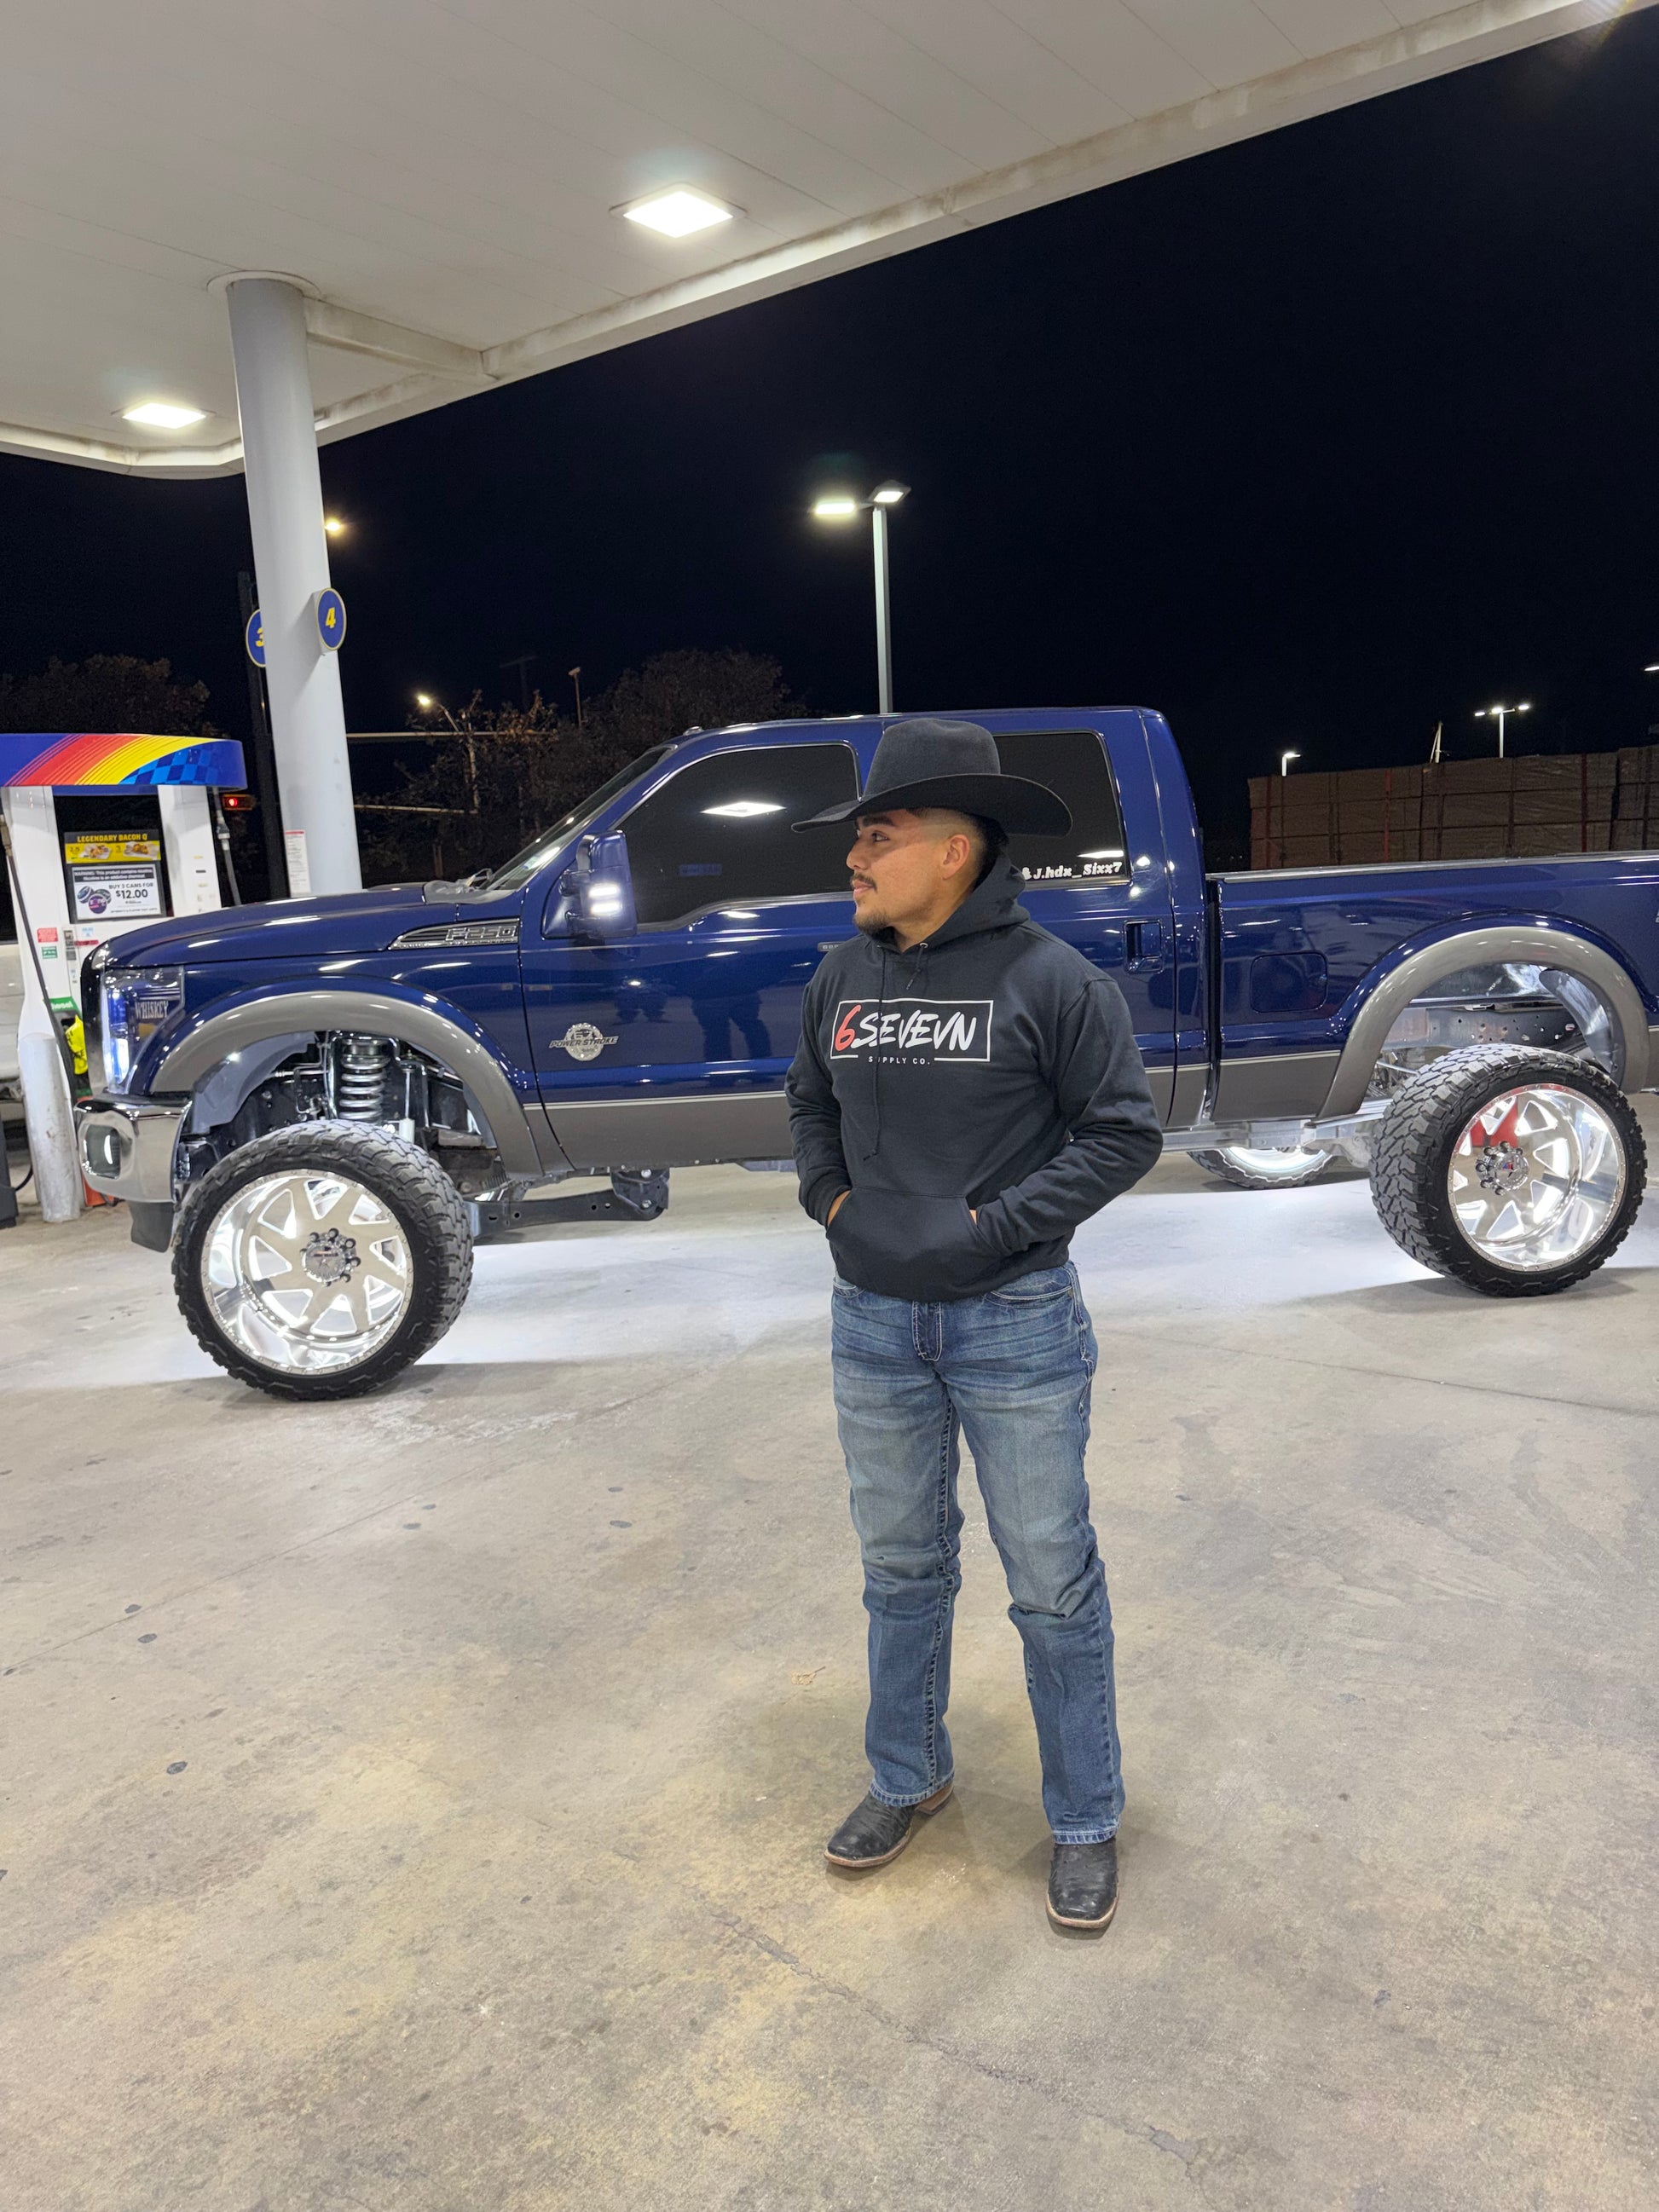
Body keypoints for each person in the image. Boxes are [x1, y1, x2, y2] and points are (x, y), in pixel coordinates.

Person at [786, 717, 1164, 1933]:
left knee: (1050, 1579)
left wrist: (993, 1228)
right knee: (899, 1567)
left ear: (954, 851)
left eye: (878, 836)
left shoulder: (1053, 981)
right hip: (872, 1323)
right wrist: (833, 1203)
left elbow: (1122, 1133)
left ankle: (1085, 1818)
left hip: (1013, 1324)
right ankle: (907, 1776)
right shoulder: (839, 977)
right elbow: (807, 1104)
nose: (854, 858)